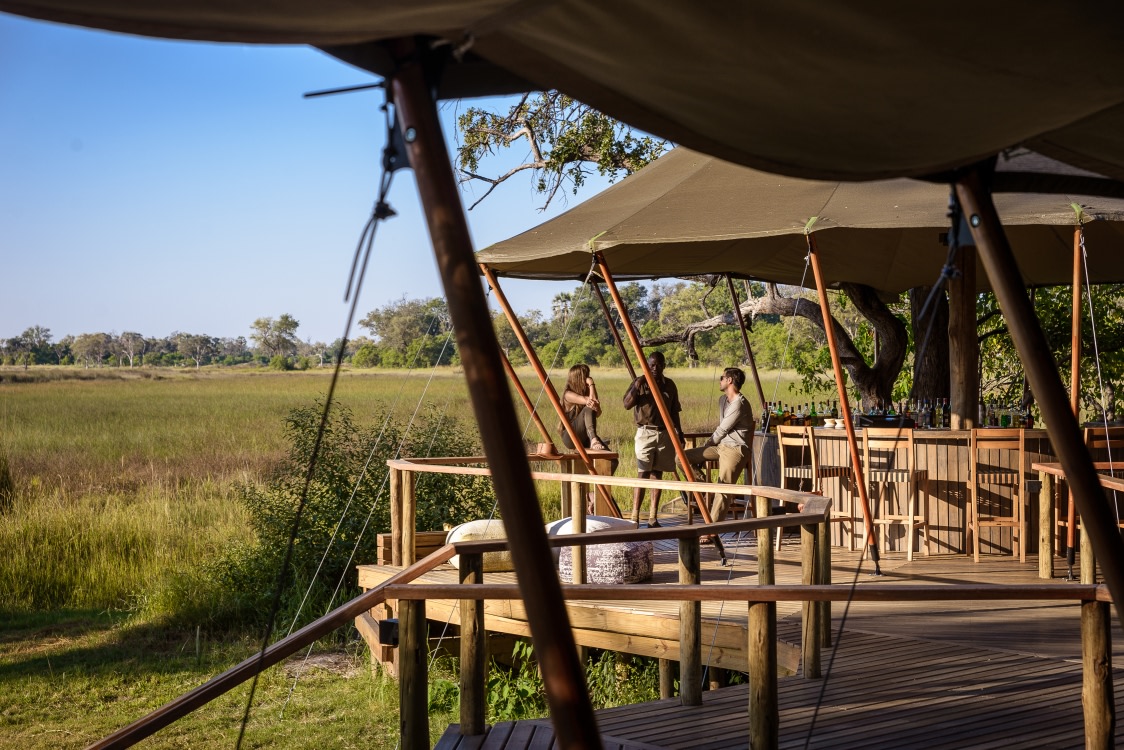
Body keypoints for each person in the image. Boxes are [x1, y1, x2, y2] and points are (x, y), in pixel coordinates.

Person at [680, 367, 755, 537]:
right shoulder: (722, 400)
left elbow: (722, 430)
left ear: (729, 381)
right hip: (721, 447)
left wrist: (706, 445)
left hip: (736, 449)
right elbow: (721, 434)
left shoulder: (739, 403)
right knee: (682, 458)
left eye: (722, 378)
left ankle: (710, 531)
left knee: (724, 487)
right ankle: (707, 491)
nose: (719, 380)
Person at [622, 351, 683, 527]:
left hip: (664, 433)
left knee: (658, 474)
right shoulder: (639, 383)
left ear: (664, 365)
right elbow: (627, 404)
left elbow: (674, 411)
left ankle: (653, 517)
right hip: (645, 432)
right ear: (647, 366)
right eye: (652, 365)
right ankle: (634, 517)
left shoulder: (669, 385)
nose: (655, 368)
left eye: (658, 365)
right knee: (643, 473)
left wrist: (679, 431)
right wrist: (637, 385)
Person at [560, 363, 609, 451]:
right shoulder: (568, 394)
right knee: (588, 408)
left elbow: (598, 413)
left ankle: (593, 439)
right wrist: (591, 384)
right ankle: (593, 439)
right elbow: (591, 403)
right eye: (586, 376)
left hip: (585, 435)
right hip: (570, 436)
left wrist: (596, 405)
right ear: (579, 379)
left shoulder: (587, 393)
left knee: (612, 461)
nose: (588, 378)